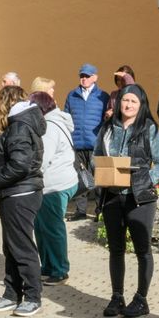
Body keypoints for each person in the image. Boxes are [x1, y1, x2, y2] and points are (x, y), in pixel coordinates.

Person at [95, 84, 159, 318]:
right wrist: (99, 174)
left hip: (140, 199)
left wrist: (145, 181)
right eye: (124, 100)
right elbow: (96, 159)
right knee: (116, 249)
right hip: (112, 197)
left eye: (133, 101)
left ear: (141, 105)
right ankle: (117, 297)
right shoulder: (108, 128)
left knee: (142, 250)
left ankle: (141, 299)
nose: (127, 105)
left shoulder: (149, 129)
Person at [0, 86, 46, 317]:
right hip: (17, 193)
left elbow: (20, 164)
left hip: (20, 193)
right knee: (11, 246)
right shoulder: (22, 123)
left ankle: (32, 297)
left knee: (21, 247)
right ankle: (12, 294)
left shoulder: (19, 126)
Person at [28, 88, 76, 285]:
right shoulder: (56, 121)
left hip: (55, 185)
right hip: (57, 182)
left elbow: (42, 159)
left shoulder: (50, 126)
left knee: (53, 227)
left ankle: (59, 270)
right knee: (43, 226)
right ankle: (48, 266)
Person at [64, 63, 110, 221]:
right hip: (77, 144)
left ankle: (100, 211)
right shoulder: (72, 95)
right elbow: (66, 118)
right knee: (81, 179)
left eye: (87, 76)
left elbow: (107, 120)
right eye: (82, 76)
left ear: (95, 77)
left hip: (95, 145)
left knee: (98, 179)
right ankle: (81, 211)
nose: (84, 79)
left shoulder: (103, 96)